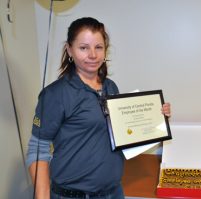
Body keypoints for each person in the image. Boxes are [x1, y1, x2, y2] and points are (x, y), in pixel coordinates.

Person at [26, 17, 171, 199]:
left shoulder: (111, 87)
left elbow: (125, 136)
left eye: (98, 47)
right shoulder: (55, 94)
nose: (93, 55)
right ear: (69, 50)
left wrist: (156, 118)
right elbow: (37, 148)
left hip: (113, 192)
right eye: (84, 48)